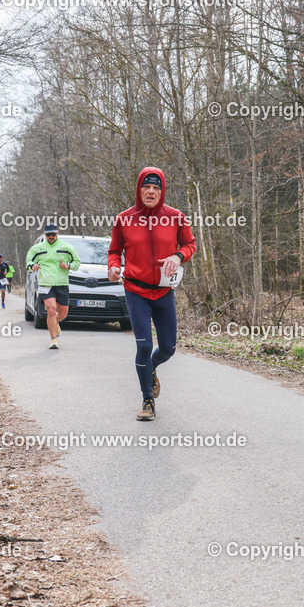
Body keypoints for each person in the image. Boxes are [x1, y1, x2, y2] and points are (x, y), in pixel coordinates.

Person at [107, 167, 196, 421]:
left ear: (162, 191)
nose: (151, 191)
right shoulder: (124, 219)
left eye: (156, 187)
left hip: (164, 291)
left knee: (168, 348)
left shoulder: (176, 217)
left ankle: (152, 369)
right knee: (144, 345)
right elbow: (114, 251)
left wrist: (178, 256)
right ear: (139, 189)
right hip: (135, 290)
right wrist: (113, 267)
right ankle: (147, 400)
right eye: (146, 186)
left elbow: (191, 245)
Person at [26, 223, 81, 349]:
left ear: (58, 233)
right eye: (48, 234)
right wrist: (32, 267)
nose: (51, 236)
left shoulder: (67, 247)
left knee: (63, 313)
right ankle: (53, 339)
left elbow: (77, 262)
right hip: (46, 283)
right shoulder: (37, 248)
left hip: (62, 283)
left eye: (53, 234)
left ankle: (55, 323)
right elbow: (29, 262)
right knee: (51, 310)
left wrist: (68, 266)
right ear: (45, 234)